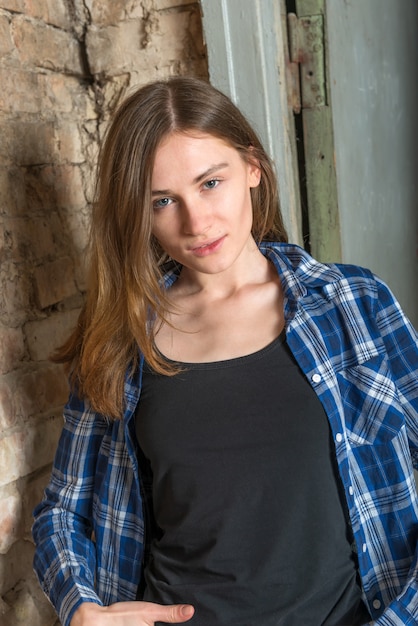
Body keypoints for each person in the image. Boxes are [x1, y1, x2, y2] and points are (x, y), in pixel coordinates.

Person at [32, 76, 418, 626]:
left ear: (252, 169)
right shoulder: (120, 340)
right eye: (164, 201)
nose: (196, 223)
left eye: (211, 183)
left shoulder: (352, 305)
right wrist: (81, 607)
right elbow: (63, 510)